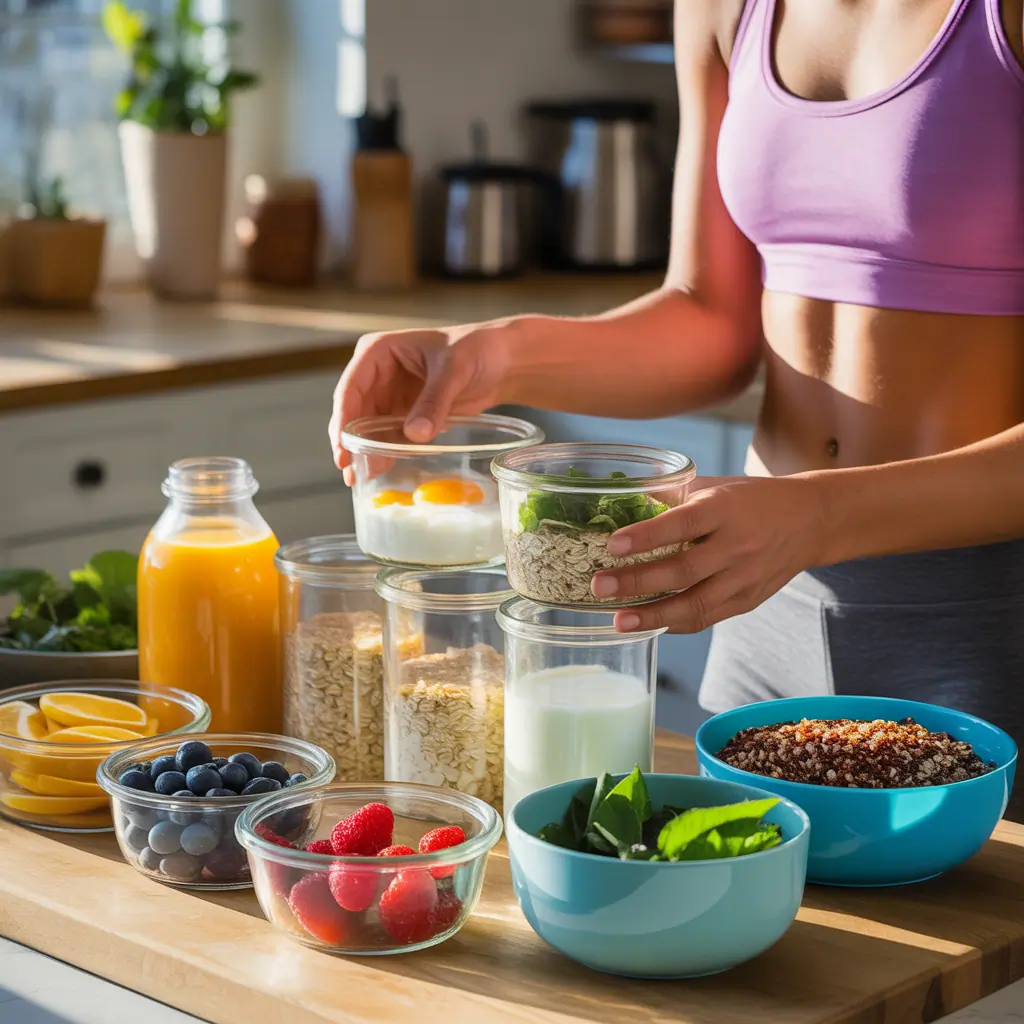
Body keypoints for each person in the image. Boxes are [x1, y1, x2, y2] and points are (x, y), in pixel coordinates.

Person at [330, 0, 1024, 821]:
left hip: (983, 611)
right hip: (766, 602)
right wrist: (496, 354)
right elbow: (713, 321)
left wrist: (822, 516)